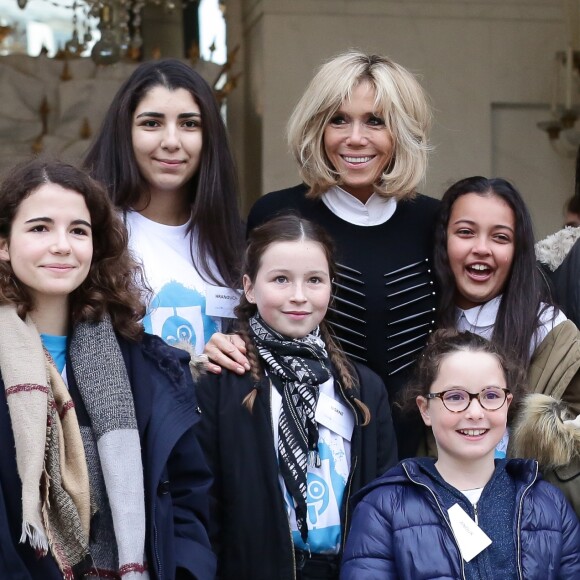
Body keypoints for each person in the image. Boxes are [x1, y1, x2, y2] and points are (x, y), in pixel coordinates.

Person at [205, 51, 439, 458]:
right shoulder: (277, 214)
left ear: (402, 131)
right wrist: (223, 343)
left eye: (375, 121)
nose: (355, 138)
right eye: (338, 119)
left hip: (420, 451)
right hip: (309, 450)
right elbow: (247, 321)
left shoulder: (434, 220)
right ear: (317, 128)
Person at [0, 160, 215, 579]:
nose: (62, 245)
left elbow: (189, 496)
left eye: (78, 230)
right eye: (40, 228)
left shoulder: (149, 363)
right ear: (4, 244)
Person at [195, 214, 397, 580]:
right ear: (250, 287)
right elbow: (203, 506)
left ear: (331, 287)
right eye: (281, 279)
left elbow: (385, 505)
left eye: (314, 280)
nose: (299, 296)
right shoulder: (221, 383)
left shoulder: (364, 389)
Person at [341, 330, 580, 580]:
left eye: (491, 396)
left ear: (508, 404)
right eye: (455, 397)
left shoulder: (548, 503)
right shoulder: (383, 508)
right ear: (425, 409)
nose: (475, 412)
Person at [84, 58, 243, 355]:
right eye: (152, 123)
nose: (171, 141)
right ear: (125, 133)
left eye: (189, 124)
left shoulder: (235, 240)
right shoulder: (93, 235)